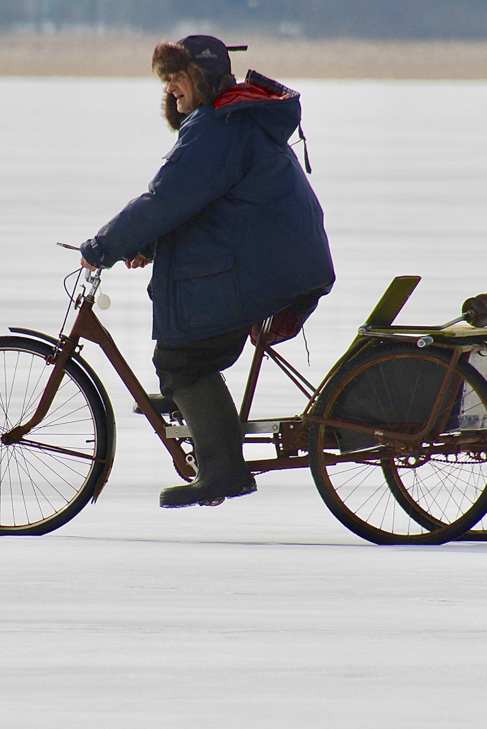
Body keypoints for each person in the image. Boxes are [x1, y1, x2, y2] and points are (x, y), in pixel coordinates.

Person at [79, 35, 334, 509]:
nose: (172, 90)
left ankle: (222, 472)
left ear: (198, 78)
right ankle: (192, 408)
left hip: (267, 265)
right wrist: (151, 246)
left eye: (176, 79)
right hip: (280, 259)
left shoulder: (216, 128)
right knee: (185, 356)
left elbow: (165, 200)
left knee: (184, 362)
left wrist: (103, 246)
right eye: (167, 82)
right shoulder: (231, 121)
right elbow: (204, 205)